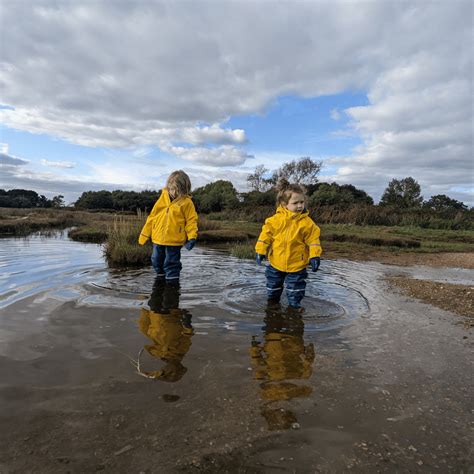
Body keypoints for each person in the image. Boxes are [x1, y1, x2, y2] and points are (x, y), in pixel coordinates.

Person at [255, 179, 322, 309]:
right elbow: (265, 236)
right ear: (284, 204)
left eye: (302, 202)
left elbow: (314, 241)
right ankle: (273, 304)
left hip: (297, 265)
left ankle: (294, 308)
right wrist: (260, 250)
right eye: (295, 203)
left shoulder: (307, 223)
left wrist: (315, 256)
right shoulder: (274, 220)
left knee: (295, 290)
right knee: (273, 286)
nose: (299, 206)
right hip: (276, 262)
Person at [138, 170, 198, 282]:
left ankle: (172, 282)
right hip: (158, 238)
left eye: (177, 190)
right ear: (168, 186)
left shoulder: (187, 203)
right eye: (171, 189)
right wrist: (144, 234)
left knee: (171, 262)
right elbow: (152, 217)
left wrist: (192, 237)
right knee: (156, 260)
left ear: (184, 189)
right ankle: (160, 276)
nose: (174, 193)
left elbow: (191, 221)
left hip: (174, 240)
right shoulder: (162, 198)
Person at [136, 277, 194, 382]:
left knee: (156, 290)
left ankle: (160, 275)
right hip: (171, 313)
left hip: (155, 314)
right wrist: (187, 323)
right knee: (169, 291)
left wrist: (144, 308)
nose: (166, 369)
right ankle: (167, 275)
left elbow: (144, 327)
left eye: (166, 371)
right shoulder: (181, 351)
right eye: (171, 372)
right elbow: (187, 335)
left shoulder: (156, 353)